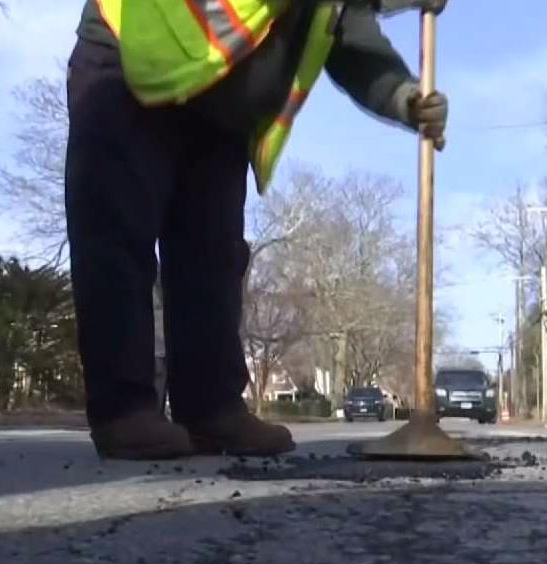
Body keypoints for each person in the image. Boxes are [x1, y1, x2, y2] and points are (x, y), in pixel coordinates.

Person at [66, 0, 449, 460]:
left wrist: (406, 96)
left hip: (221, 99)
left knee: (212, 256)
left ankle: (211, 409)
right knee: (118, 232)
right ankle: (123, 409)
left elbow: (353, 42)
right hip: (132, 55)